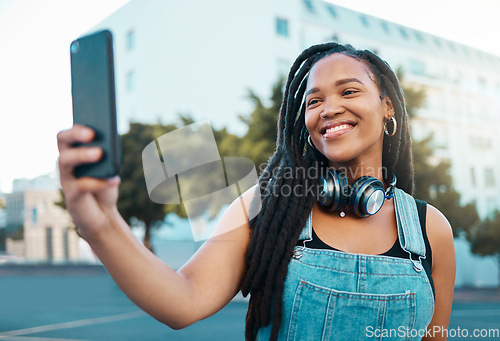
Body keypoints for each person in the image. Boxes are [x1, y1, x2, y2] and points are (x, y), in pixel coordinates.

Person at [57, 42, 456, 341]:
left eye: (348, 91)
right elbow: (183, 301)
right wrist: (101, 225)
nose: (328, 108)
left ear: (388, 106)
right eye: (313, 100)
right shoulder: (267, 206)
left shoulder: (429, 229)